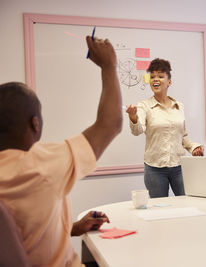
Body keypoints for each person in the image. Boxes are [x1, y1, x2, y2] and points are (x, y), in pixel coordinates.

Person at [0, 35, 122, 266]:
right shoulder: (37, 165)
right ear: (35, 123)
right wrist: (109, 65)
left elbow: (14, 242)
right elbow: (111, 124)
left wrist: (73, 228)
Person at [126, 58, 203, 198]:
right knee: (159, 210)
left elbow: (183, 136)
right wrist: (133, 117)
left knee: (189, 204)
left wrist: (194, 148)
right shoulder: (144, 106)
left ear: (169, 82)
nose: (156, 79)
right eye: (153, 76)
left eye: (161, 76)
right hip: (155, 169)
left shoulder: (179, 105)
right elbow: (138, 130)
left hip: (179, 167)